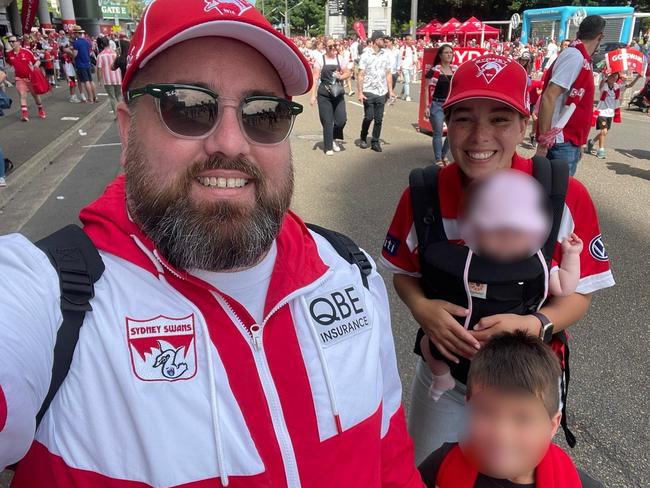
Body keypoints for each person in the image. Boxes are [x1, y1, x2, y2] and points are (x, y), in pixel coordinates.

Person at [0, 2, 423, 486]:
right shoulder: (50, 297)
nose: (230, 142)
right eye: (186, 107)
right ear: (126, 129)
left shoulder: (353, 272)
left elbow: (391, 464)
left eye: (263, 114)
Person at [380, 54, 614, 464]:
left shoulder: (562, 196)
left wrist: (536, 322)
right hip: (446, 379)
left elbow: (579, 295)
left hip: (527, 387)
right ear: (446, 123)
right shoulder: (423, 194)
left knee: (510, 473)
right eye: (465, 118)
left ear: (524, 125)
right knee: (431, 470)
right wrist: (422, 309)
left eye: (500, 119)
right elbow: (405, 274)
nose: (479, 136)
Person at [419, 170, 584, 402]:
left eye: (516, 233)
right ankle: (441, 377)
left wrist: (571, 254)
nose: (505, 241)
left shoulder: (538, 262)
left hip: (511, 344)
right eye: (493, 232)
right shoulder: (465, 256)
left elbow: (565, 287)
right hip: (462, 339)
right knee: (427, 342)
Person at [418, 331, 604, 488]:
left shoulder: (573, 483)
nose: (501, 434)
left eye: (523, 418)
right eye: (486, 412)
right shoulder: (443, 465)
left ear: (553, 425)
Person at [536, 15, 606, 176]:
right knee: (557, 195)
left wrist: (579, 143)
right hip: (561, 140)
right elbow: (549, 96)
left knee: (558, 193)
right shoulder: (575, 56)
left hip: (569, 139)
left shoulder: (581, 57)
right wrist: (544, 141)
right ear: (600, 36)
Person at [587, 70, 641, 159]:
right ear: (608, 77)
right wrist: (605, 75)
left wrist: (638, 77)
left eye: (615, 76)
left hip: (610, 113)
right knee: (603, 131)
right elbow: (601, 84)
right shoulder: (604, 86)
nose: (613, 78)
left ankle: (591, 142)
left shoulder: (617, 87)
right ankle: (601, 150)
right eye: (611, 76)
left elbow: (630, 85)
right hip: (602, 111)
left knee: (604, 132)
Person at [310, 40, 350, 155]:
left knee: (341, 120)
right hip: (324, 93)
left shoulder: (340, 59)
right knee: (327, 121)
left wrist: (341, 76)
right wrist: (313, 95)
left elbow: (348, 73)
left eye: (335, 46)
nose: (334, 48)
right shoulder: (320, 60)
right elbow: (315, 77)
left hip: (337, 92)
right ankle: (328, 147)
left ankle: (333, 138)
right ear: (325, 48)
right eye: (331, 46)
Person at [357, 31, 395, 152]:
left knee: (379, 119)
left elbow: (388, 73)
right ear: (375, 41)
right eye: (382, 39)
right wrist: (360, 92)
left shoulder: (386, 55)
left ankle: (375, 141)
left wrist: (390, 90)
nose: (385, 42)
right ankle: (363, 136)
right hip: (368, 90)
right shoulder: (365, 55)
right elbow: (361, 75)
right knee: (369, 117)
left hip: (381, 91)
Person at [424, 44, 456, 166]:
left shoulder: (455, 70)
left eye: (451, 53)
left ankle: (443, 154)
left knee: (452, 131)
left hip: (451, 105)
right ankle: (438, 158)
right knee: (438, 132)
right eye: (446, 52)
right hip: (436, 104)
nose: (449, 55)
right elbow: (427, 89)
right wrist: (427, 106)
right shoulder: (434, 71)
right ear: (440, 55)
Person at [5, 35, 46, 121]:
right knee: (22, 96)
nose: (11, 43)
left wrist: (35, 66)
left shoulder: (27, 52)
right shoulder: (9, 54)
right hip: (19, 78)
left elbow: (37, 61)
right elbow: (9, 63)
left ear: (18, 42)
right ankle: (24, 114)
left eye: (13, 41)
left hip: (30, 78)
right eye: (10, 42)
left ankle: (40, 109)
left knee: (35, 96)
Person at [67, 27, 97, 103]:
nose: (74, 34)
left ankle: (90, 98)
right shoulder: (87, 42)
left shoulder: (76, 43)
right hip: (87, 62)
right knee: (91, 80)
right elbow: (89, 51)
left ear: (77, 33)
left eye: (74, 33)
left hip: (80, 64)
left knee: (86, 81)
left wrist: (70, 53)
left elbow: (75, 54)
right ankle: (94, 97)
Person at [96, 36, 122, 118]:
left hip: (108, 79)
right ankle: (122, 113)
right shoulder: (115, 53)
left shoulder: (100, 55)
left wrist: (99, 80)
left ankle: (116, 114)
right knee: (119, 95)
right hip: (118, 77)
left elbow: (99, 69)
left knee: (112, 97)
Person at [398, 35, 417, 101]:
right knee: (407, 81)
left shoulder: (413, 48)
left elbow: (415, 57)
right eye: (410, 40)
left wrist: (415, 64)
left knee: (407, 81)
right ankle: (407, 95)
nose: (412, 41)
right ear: (406, 41)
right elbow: (399, 59)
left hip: (411, 67)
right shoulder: (402, 48)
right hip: (404, 67)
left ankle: (402, 93)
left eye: (412, 40)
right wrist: (398, 68)